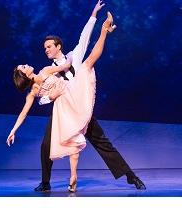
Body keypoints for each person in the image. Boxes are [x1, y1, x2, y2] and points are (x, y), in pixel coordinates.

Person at [35, 1, 146, 192]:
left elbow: (84, 36)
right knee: (46, 144)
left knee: (102, 142)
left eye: (49, 47)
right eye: (45, 48)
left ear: (58, 46)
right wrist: (50, 98)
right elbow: (41, 97)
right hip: (62, 112)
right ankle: (45, 182)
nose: (46, 50)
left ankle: (131, 176)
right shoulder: (48, 72)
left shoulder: (73, 56)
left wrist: (94, 14)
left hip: (80, 107)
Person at [7, 11, 116, 192]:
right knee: (71, 139)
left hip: (71, 95)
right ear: (24, 75)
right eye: (24, 67)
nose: (26, 64)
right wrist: (13, 130)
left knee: (88, 63)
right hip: (63, 105)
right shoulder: (37, 84)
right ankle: (72, 177)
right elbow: (23, 113)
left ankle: (104, 30)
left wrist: (72, 56)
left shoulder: (44, 73)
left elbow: (65, 66)